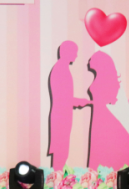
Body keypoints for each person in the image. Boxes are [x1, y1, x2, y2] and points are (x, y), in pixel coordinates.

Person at [87, 51, 129, 169]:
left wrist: (90, 102)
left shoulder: (103, 79)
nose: (89, 61)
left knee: (102, 142)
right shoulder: (101, 77)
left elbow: (103, 99)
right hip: (99, 114)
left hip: (102, 115)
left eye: (92, 59)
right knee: (100, 143)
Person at [48, 40, 91, 170]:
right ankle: (57, 176)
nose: (76, 55)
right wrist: (80, 101)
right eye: (74, 52)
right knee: (60, 150)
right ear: (67, 52)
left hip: (63, 116)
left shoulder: (62, 68)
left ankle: (58, 175)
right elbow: (63, 98)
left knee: (62, 150)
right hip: (60, 116)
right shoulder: (60, 69)